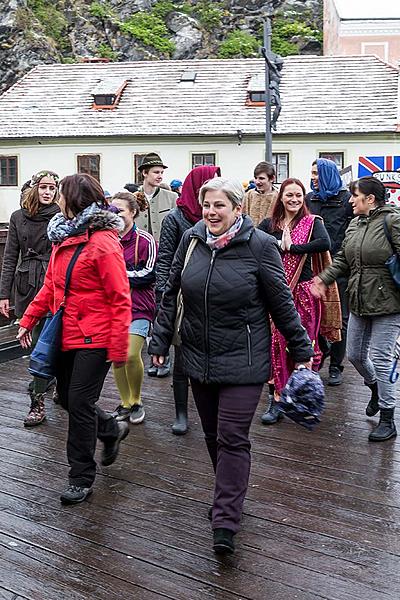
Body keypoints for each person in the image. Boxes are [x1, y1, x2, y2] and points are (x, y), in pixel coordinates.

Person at [149, 177, 313, 554]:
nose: (211, 213)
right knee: (211, 436)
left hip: (245, 358)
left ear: (238, 209)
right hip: (197, 355)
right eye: (207, 206)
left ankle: (225, 518)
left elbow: (281, 303)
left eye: (219, 206)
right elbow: (171, 290)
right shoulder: (192, 241)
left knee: (232, 437)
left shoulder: (260, 246)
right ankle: (229, 493)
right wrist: (159, 340)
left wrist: (301, 348)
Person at [17, 173, 132, 504]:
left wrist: (119, 346)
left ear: (74, 200)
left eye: (62, 195)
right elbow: (52, 285)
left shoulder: (103, 242)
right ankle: (110, 429)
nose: (58, 200)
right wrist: (28, 319)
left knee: (80, 402)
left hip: (95, 336)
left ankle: (80, 476)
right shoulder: (64, 237)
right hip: (65, 330)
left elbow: (119, 297)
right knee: (67, 399)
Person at [312, 176, 400, 442]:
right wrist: (324, 278)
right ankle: (374, 388)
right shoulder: (355, 224)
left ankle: (388, 417)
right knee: (355, 355)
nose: (350, 200)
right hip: (359, 299)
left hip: (388, 302)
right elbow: (343, 259)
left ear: (370, 199)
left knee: (383, 360)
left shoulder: (392, 221)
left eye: (355, 195)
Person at [258, 178, 340, 424]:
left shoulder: (312, 222)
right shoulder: (269, 224)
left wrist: (292, 247)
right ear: (280, 197)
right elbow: (255, 241)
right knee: (275, 344)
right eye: (289, 195)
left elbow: (325, 243)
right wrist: (276, 243)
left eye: (298, 195)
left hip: (303, 294)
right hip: (275, 292)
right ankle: (277, 399)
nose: (294, 199)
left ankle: (303, 397)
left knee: (302, 344)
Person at [156, 165, 221, 434]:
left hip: (216, 293)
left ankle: (214, 408)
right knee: (181, 356)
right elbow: (165, 259)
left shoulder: (220, 217)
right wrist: (163, 299)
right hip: (183, 294)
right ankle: (181, 412)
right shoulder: (175, 218)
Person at [0, 170, 60, 426]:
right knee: (35, 343)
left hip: (53, 281)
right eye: (44, 187)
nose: (48, 192)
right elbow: (10, 256)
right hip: (26, 283)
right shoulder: (18, 217)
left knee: (50, 340)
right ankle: (38, 399)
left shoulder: (61, 215)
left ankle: (46, 386)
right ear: (34, 188)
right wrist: (4, 294)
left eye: (53, 188)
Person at [110, 191, 157, 425]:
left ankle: (137, 400)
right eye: (112, 210)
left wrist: (115, 276)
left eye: (120, 210)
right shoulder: (106, 238)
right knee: (117, 357)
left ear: (133, 213)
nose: (115, 214)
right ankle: (125, 402)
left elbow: (149, 275)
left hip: (139, 306)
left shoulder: (145, 240)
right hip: (111, 309)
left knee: (130, 354)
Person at [306, 158, 353, 386]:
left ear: (326, 174)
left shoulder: (345, 201)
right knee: (314, 314)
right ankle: (322, 350)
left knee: (340, 319)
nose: (313, 177)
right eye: (312, 173)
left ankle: (336, 366)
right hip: (313, 266)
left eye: (316, 173)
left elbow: (351, 235)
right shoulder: (309, 199)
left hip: (339, 267)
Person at [135, 152, 177, 242]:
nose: (160, 176)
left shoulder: (172, 197)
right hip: (139, 250)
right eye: (156, 172)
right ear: (145, 173)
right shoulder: (132, 198)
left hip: (164, 250)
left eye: (162, 173)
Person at [242, 161, 277, 226]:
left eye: (261, 178)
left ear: (272, 178)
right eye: (255, 178)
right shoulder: (249, 195)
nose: (257, 182)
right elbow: (242, 217)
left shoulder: (278, 197)